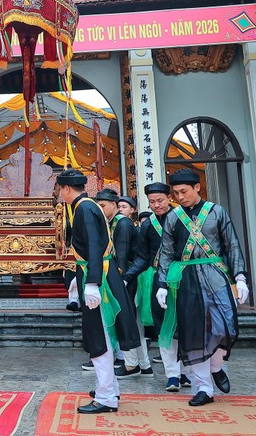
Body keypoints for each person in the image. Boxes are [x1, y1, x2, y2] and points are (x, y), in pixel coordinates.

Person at [156, 167, 249, 407]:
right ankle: (204, 388)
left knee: (226, 326)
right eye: (175, 193)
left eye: (184, 191)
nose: (180, 197)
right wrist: (162, 284)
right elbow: (165, 253)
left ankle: (216, 366)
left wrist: (240, 277)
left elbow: (232, 246)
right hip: (186, 280)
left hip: (216, 275)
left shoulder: (217, 212)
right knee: (194, 333)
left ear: (197, 187)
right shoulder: (173, 218)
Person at [58, 170, 140, 415]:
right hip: (98, 273)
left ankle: (106, 396)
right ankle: (109, 388)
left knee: (100, 334)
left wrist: (92, 282)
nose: (59, 194)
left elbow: (94, 246)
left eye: (59, 189)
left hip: (100, 278)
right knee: (101, 332)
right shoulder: (88, 207)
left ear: (66, 189)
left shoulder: (83, 208)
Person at [124, 182, 191, 392]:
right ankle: (172, 375)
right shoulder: (148, 225)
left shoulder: (183, 219)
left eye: (160, 201)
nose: (156, 205)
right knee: (164, 329)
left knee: (186, 327)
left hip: (182, 279)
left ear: (169, 198)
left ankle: (186, 373)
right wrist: (128, 276)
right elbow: (143, 257)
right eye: (152, 202)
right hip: (157, 281)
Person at [94, 189, 149, 379]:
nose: (100, 210)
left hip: (127, 276)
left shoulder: (122, 223)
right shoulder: (113, 223)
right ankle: (143, 364)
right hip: (125, 275)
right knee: (133, 321)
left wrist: (121, 280)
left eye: (102, 206)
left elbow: (122, 256)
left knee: (126, 319)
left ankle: (131, 363)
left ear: (114, 206)